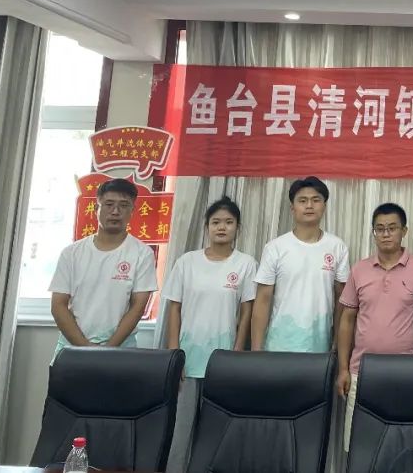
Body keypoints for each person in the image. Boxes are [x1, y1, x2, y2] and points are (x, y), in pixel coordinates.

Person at [163, 195, 257, 473]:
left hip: (222, 362)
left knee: (216, 431)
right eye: (216, 222)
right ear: (207, 227)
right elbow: (174, 309)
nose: (222, 227)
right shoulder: (187, 262)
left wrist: (237, 352)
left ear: (238, 227)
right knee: (180, 431)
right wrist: (174, 355)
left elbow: (247, 313)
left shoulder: (245, 264)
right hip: (188, 361)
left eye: (228, 222)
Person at [336, 202, 413, 453]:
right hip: (361, 371)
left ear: (404, 231)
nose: (386, 234)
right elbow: (347, 319)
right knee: (358, 444)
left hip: (405, 370)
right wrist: (343, 368)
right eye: (380, 229)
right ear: (373, 232)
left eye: (392, 228)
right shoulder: (360, 269)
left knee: (401, 443)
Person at [49, 177, 158, 359]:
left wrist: (107, 350)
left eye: (123, 205)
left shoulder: (142, 254)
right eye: (108, 204)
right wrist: (85, 348)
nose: (115, 211)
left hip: (119, 349)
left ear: (132, 211)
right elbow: (58, 305)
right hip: (72, 348)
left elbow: (137, 307)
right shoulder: (72, 253)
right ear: (96, 208)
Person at [251, 176, 350, 352]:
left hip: (320, 348)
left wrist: (336, 342)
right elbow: (263, 300)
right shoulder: (275, 248)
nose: (309, 205)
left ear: (324, 206)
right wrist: (256, 350)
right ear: (292, 208)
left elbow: (341, 298)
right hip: (278, 346)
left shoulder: (337, 247)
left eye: (316, 200)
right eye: (302, 201)